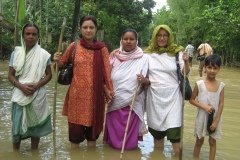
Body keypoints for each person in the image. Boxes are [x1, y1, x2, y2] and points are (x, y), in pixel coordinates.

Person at [54, 15, 113, 148]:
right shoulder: (74, 46)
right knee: (75, 137)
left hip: (95, 98)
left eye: (91, 27)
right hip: (76, 98)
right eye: (85, 27)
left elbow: (107, 73)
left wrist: (109, 90)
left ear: (96, 29)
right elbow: (61, 64)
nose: (88, 30)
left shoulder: (102, 49)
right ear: (81, 29)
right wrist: (57, 60)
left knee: (92, 137)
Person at [144, 24, 190, 155]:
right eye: (159, 35)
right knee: (157, 136)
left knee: (175, 135)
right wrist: (116, 52)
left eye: (165, 35)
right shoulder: (147, 53)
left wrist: (186, 62)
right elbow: (134, 59)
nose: (162, 38)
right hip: (154, 97)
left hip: (173, 96)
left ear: (169, 37)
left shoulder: (177, 52)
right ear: (155, 36)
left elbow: (185, 72)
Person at [8, 23, 52, 150]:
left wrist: (37, 85)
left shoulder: (44, 54)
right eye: (28, 34)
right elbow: (10, 76)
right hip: (19, 94)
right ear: (23, 35)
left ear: (38, 36)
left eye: (34, 34)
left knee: (35, 126)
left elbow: (49, 75)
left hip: (37, 94)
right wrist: (21, 86)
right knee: (16, 125)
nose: (31, 36)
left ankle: (34, 153)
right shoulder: (16, 53)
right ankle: (16, 154)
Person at [103, 29, 148, 150]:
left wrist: (144, 81)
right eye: (125, 39)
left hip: (133, 103)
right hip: (114, 101)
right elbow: (104, 78)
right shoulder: (113, 57)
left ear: (136, 41)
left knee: (129, 145)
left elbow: (149, 82)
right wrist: (107, 91)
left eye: (131, 39)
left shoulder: (144, 58)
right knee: (112, 144)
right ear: (121, 40)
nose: (128, 41)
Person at [189, 54, 225, 160]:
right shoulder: (199, 83)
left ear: (219, 69)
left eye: (215, 68)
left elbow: (221, 104)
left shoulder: (221, 85)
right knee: (199, 141)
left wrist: (215, 121)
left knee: (212, 142)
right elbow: (191, 100)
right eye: (209, 67)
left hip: (215, 118)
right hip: (202, 116)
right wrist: (204, 106)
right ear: (204, 67)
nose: (212, 70)